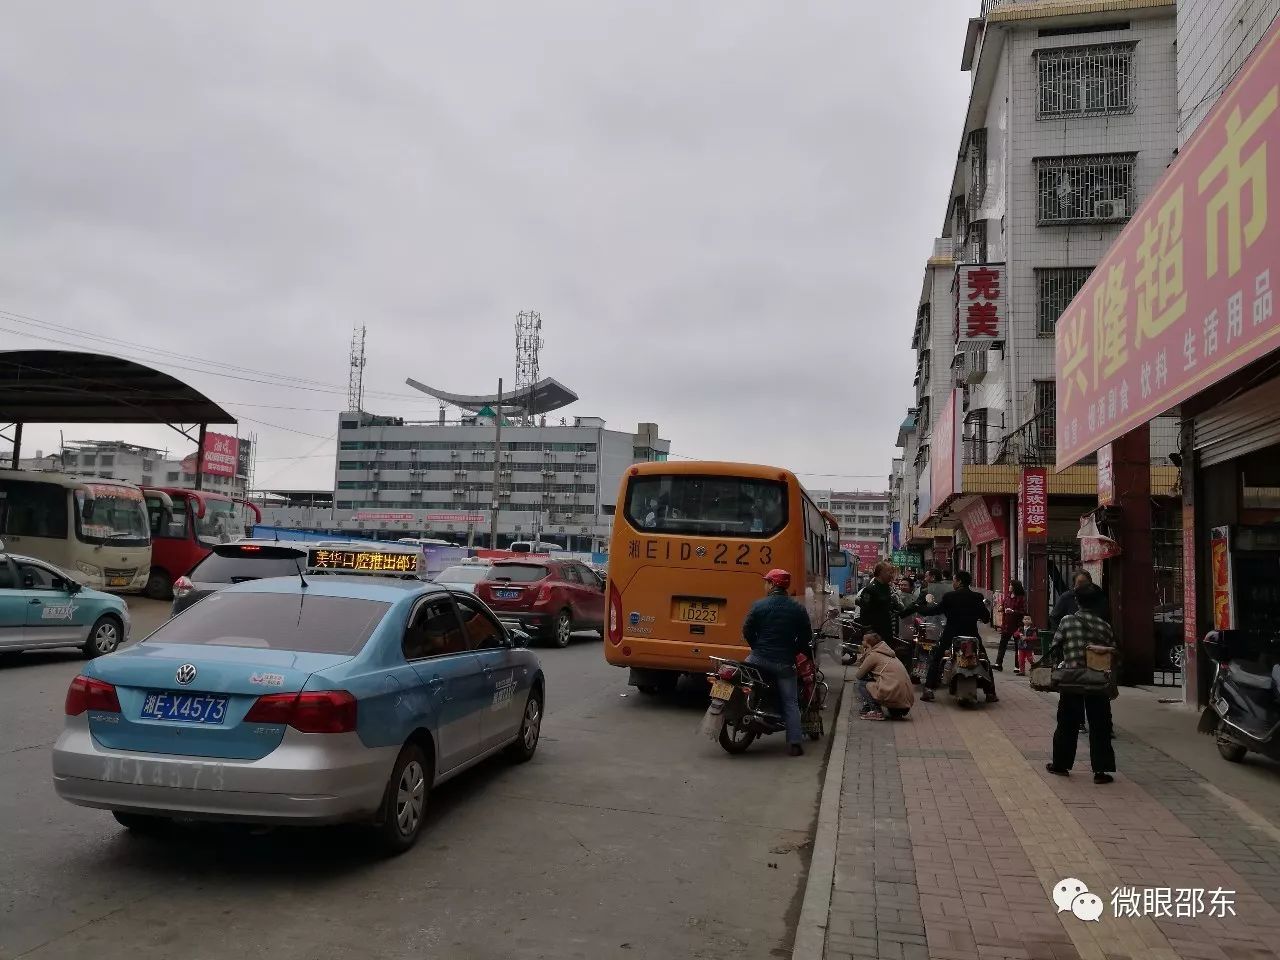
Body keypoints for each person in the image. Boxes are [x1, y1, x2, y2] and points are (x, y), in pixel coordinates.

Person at [1045, 583, 1116, 784]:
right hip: (1096, 681)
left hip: (1072, 680)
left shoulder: (1067, 621)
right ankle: (1101, 771)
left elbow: (1055, 646)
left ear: (1077, 601)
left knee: (1067, 723)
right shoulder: (1105, 626)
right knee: (1099, 725)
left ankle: (1060, 765)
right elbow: (1112, 650)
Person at [742, 568, 812, 757]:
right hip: (783, 663)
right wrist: (793, 650)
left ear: (772, 584)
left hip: (757, 658)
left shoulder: (759, 605)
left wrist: (756, 646)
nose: (765, 585)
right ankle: (795, 744)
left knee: (741, 680)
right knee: (791, 702)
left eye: (766, 582)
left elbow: (747, 629)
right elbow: (806, 636)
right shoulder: (797, 608)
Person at [917, 570, 994, 702]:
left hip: (951, 635)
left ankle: (928, 689)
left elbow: (933, 611)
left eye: (954, 580)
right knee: (984, 659)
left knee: (937, 658)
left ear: (958, 581)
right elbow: (986, 619)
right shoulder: (977, 597)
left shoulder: (949, 597)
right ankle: (991, 693)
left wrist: (919, 606)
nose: (953, 583)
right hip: (971, 635)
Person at [856, 562, 916, 668]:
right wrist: (868, 632)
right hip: (874, 633)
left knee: (885, 662)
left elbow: (899, 607)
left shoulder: (888, 588)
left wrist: (915, 607)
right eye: (889, 572)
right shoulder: (870, 589)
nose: (891, 575)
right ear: (880, 573)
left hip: (887, 631)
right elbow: (864, 612)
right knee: (873, 662)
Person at [853, 630, 915, 721]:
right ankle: (870, 708)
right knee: (874, 680)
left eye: (863, 640)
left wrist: (864, 655)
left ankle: (876, 711)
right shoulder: (888, 652)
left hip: (893, 694)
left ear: (868, 643)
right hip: (905, 700)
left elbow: (859, 675)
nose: (862, 642)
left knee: (861, 683)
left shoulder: (874, 655)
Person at [995, 580, 1027, 671]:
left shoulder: (1021, 598)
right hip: (1007, 624)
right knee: (1002, 644)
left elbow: (1024, 611)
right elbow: (1003, 604)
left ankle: (1017, 666)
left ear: (1015, 587)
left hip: (1017, 624)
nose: (1009, 586)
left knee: (1018, 646)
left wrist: (1013, 611)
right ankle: (998, 663)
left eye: (1011, 585)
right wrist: (1001, 608)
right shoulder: (1008, 596)